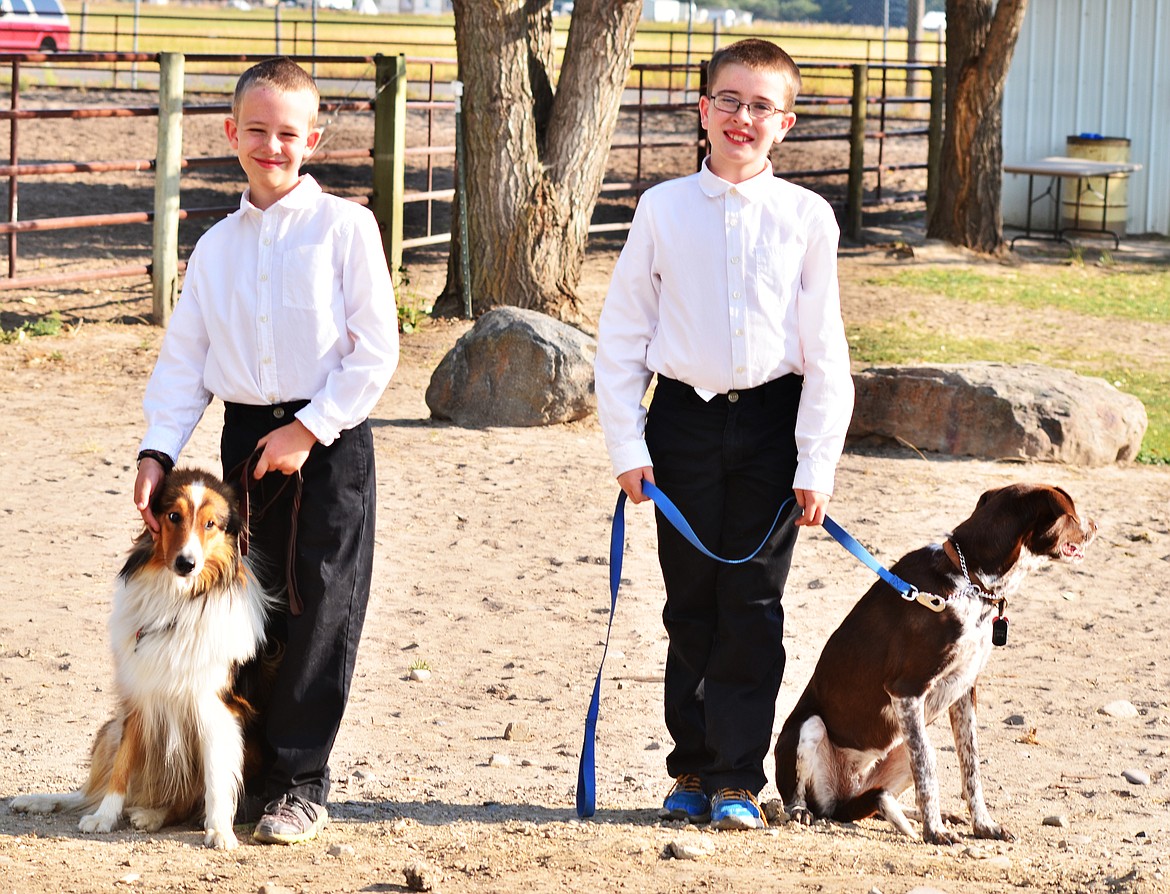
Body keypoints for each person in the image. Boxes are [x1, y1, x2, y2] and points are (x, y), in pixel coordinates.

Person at [132, 57, 400, 845]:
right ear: (231, 135)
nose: (272, 145)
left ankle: (299, 784)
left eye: (289, 132)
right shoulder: (215, 246)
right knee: (250, 609)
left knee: (321, 608)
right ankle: (242, 773)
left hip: (329, 438)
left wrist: (310, 429)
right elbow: (185, 361)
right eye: (257, 130)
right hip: (245, 441)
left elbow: (374, 351)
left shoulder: (346, 228)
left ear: (312, 138)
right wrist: (157, 450)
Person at [594, 38, 854, 831]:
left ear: (787, 124)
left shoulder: (807, 218)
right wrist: (628, 449)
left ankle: (738, 775)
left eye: (762, 106)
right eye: (729, 101)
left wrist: (817, 462)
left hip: (774, 426)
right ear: (703, 110)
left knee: (754, 600)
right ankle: (692, 768)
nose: (743, 117)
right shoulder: (661, 209)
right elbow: (622, 336)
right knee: (691, 604)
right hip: (682, 424)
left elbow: (825, 350)